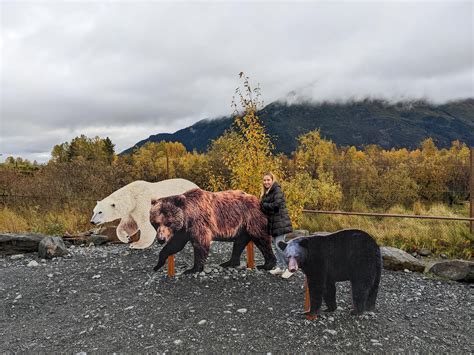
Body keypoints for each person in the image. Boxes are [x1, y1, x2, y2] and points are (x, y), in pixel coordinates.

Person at [260, 172, 294, 279]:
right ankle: (281, 267)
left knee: (280, 246)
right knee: (276, 246)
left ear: (272, 180)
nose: (266, 182)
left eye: (268, 180)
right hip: (273, 223)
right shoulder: (267, 193)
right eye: (264, 180)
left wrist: (264, 205)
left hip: (280, 222)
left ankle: (290, 268)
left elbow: (276, 205)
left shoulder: (277, 190)